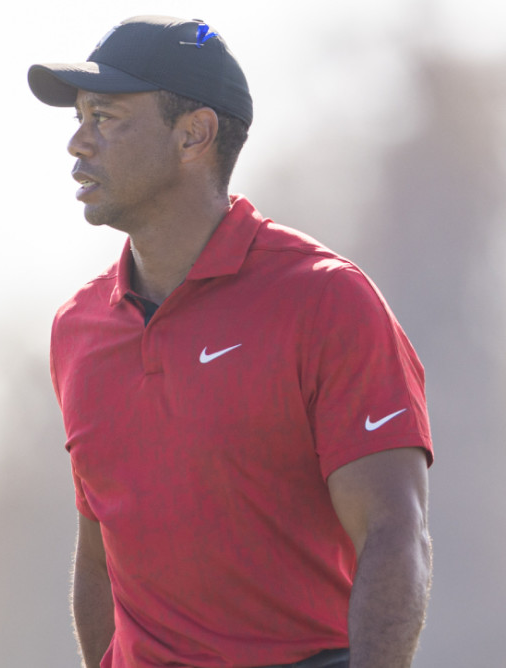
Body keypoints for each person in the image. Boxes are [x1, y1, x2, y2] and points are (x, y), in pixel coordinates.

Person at [27, 16, 433, 668]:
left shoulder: (326, 300)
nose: (78, 142)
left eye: (105, 117)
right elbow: (101, 554)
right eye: (78, 117)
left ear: (194, 135)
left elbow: (393, 534)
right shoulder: (77, 330)